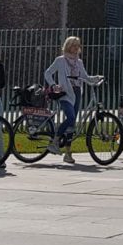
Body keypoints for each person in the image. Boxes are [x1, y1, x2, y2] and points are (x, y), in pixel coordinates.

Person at [44, 36, 89, 165]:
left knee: (72, 124)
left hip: (76, 93)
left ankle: (68, 154)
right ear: (68, 46)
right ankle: (55, 141)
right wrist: (53, 85)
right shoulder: (60, 60)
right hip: (64, 93)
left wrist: (95, 79)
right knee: (70, 117)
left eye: (78, 45)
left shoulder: (79, 62)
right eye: (74, 45)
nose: (76, 48)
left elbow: (84, 76)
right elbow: (47, 73)